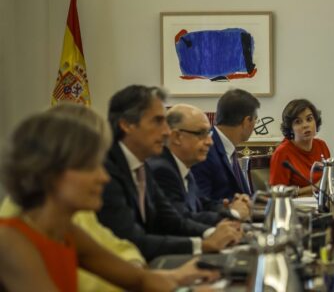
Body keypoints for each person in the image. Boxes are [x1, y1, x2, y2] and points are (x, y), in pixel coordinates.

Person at [0, 103, 218, 291]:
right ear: (50, 171)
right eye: (89, 166)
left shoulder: (66, 230)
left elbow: (140, 280)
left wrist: (178, 279)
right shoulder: (10, 241)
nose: (104, 177)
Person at [97, 85, 243, 262]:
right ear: (127, 125)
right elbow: (132, 240)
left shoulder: (142, 166)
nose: (166, 131)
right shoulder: (105, 170)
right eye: (158, 121)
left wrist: (215, 233)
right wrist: (202, 244)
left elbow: (172, 220)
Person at [148, 104, 251, 226]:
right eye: (201, 134)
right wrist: (234, 213)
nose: (210, 142)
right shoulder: (162, 170)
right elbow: (182, 220)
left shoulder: (184, 167)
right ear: (176, 137)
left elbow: (204, 204)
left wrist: (232, 206)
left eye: (209, 134)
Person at [191, 89, 259, 201]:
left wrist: (258, 199)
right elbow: (202, 203)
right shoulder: (205, 150)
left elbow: (240, 195)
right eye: (255, 120)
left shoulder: (228, 146)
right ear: (247, 121)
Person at [269, 99, 331, 196]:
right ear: (291, 128)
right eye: (298, 122)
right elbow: (276, 194)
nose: (305, 125)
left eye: (309, 119)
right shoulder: (282, 152)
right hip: (295, 208)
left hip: (321, 205)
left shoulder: (321, 145)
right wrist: (315, 188)